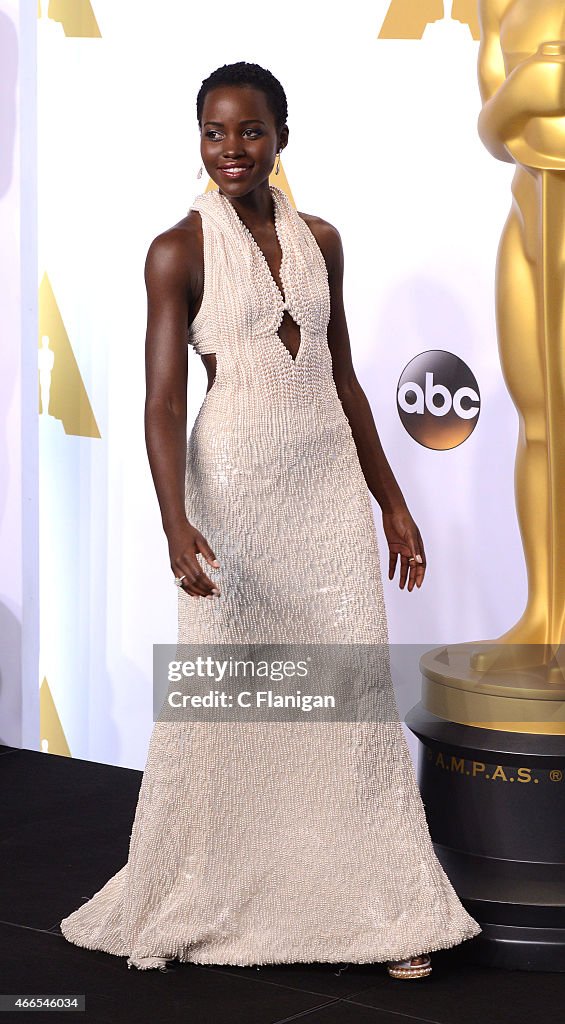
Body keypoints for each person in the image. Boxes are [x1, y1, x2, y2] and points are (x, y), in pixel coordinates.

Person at [60, 61, 481, 979]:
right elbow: (163, 404)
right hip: (235, 493)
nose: (230, 150)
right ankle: (195, 887)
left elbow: (344, 380)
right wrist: (175, 522)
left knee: (348, 700)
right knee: (229, 698)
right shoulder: (176, 250)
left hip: (325, 490)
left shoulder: (322, 240)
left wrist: (393, 501)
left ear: (281, 135)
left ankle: (384, 911)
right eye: (213, 133)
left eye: (248, 131)